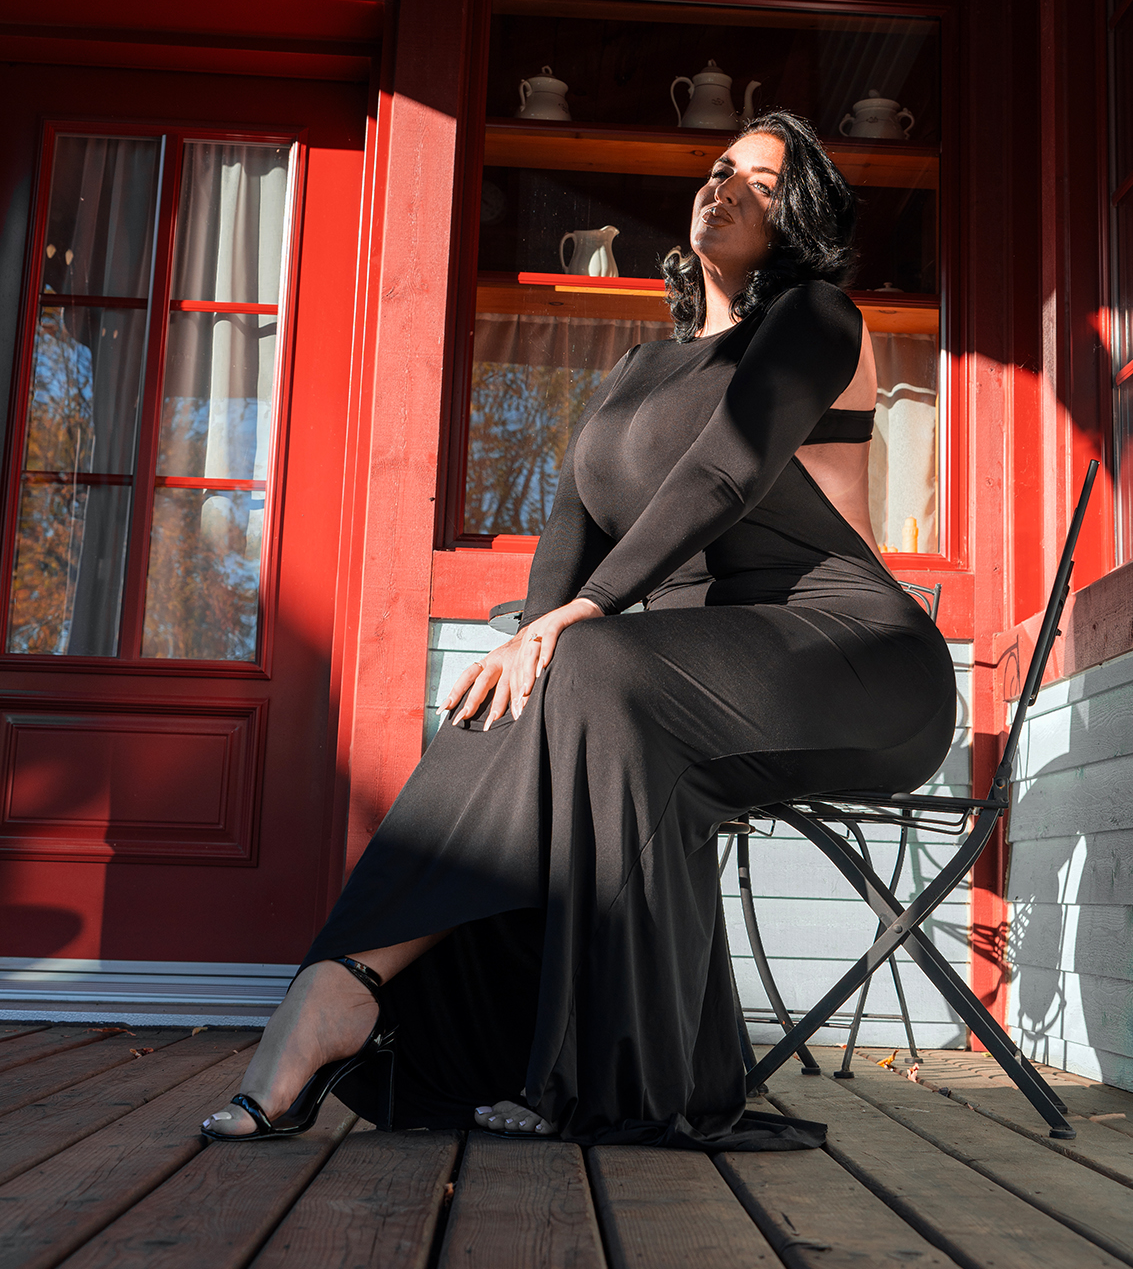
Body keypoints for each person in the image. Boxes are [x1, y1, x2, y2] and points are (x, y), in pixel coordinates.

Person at [198, 111, 954, 1147]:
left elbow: (730, 465)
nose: (726, 186)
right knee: (529, 681)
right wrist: (529, 634)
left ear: (803, 217)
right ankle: (421, 1019)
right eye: (720, 168)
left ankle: (346, 992)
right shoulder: (636, 372)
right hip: (692, 678)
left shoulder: (818, 318)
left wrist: (584, 613)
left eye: (765, 184)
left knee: (585, 658)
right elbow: (573, 526)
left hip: (856, 658)